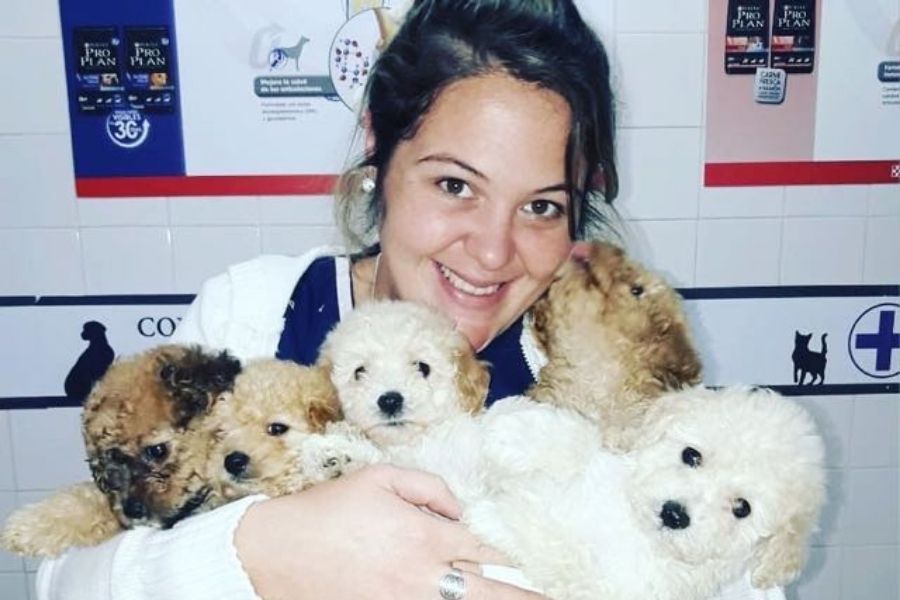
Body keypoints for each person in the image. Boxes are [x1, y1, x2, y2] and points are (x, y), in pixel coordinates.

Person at [36, 1, 785, 599]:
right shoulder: (254, 314)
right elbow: (66, 579)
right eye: (455, 185)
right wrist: (259, 548)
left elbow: (744, 580)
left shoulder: (610, 365)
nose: (492, 252)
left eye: (542, 207)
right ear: (379, 147)